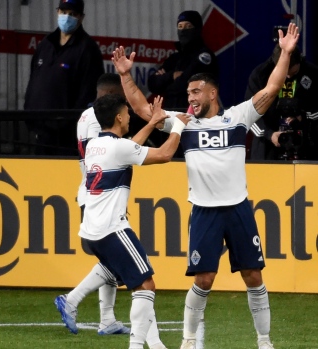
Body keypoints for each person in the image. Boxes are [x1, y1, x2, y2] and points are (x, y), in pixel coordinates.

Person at [111, 22, 300, 349]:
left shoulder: (238, 117)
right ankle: (187, 341)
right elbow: (144, 110)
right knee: (204, 279)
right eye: (187, 94)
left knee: (253, 277)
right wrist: (126, 75)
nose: (190, 98)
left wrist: (284, 53)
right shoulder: (184, 123)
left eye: (195, 92)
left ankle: (265, 341)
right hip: (204, 212)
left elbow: (271, 88)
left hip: (238, 208)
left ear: (213, 93)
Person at [59, 93, 189, 349]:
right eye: (127, 113)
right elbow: (164, 155)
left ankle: (155, 344)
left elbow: (130, 148)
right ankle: (137, 345)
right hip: (112, 229)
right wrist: (179, 126)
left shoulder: (98, 144)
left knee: (140, 284)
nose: (130, 116)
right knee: (146, 285)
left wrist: (152, 124)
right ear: (119, 117)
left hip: (92, 230)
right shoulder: (119, 147)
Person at [23, 0, 104, 154]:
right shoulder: (46, 44)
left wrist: (67, 122)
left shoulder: (87, 49)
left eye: (72, 14)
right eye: (64, 12)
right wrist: (29, 111)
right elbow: (33, 80)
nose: (67, 17)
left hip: (67, 137)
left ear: (81, 18)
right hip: (40, 131)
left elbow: (88, 92)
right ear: (57, 12)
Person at [246, 44, 318, 160]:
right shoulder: (260, 75)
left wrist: (303, 116)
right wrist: (269, 134)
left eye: (293, 73)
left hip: (305, 146)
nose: (289, 77)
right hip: (267, 146)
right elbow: (249, 114)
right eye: (284, 74)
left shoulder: (312, 73)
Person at [147, 10, 219, 110]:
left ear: (197, 29)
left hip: (195, 118)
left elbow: (184, 86)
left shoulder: (204, 57)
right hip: (171, 118)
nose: (183, 30)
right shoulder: (175, 58)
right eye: (180, 27)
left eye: (188, 26)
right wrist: (171, 76)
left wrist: (165, 85)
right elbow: (152, 84)